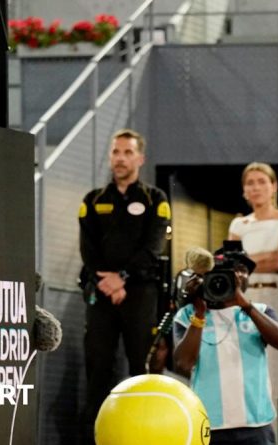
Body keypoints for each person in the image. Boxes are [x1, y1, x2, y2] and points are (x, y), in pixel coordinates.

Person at [78, 128, 170, 444]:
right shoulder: (93, 200)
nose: (121, 158)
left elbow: (153, 247)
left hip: (141, 293)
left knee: (141, 365)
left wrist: (123, 278)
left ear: (140, 158)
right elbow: (88, 250)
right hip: (101, 292)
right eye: (116, 152)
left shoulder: (155, 199)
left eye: (128, 152)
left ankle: (150, 435)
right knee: (98, 367)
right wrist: (107, 281)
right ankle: (98, 435)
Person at [173, 243, 278, 445]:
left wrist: (245, 305)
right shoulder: (188, 315)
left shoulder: (261, 311)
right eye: (223, 271)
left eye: (241, 270)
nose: (235, 275)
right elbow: (183, 363)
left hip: (256, 423)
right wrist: (199, 313)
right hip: (209, 424)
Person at [228, 162, 278, 407]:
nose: (256, 187)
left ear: (274, 187)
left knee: (276, 366)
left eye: (261, 182)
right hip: (245, 298)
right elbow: (232, 264)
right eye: (250, 183)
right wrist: (260, 258)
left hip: (277, 294)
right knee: (245, 362)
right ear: (243, 190)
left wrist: (247, 259)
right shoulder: (238, 225)